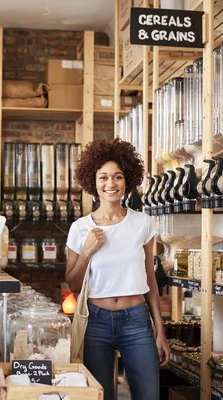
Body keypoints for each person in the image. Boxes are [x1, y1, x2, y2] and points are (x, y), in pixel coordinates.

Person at [65, 138, 170, 400]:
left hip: (136, 320)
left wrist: (160, 330)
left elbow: (150, 279)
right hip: (95, 322)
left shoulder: (142, 224)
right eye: (103, 177)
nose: (110, 184)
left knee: (148, 395)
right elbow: (73, 285)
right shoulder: (80, 228)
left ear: (127, 180)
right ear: (93, 181)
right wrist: (87, 250)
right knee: (100, 397)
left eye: (117, 177)